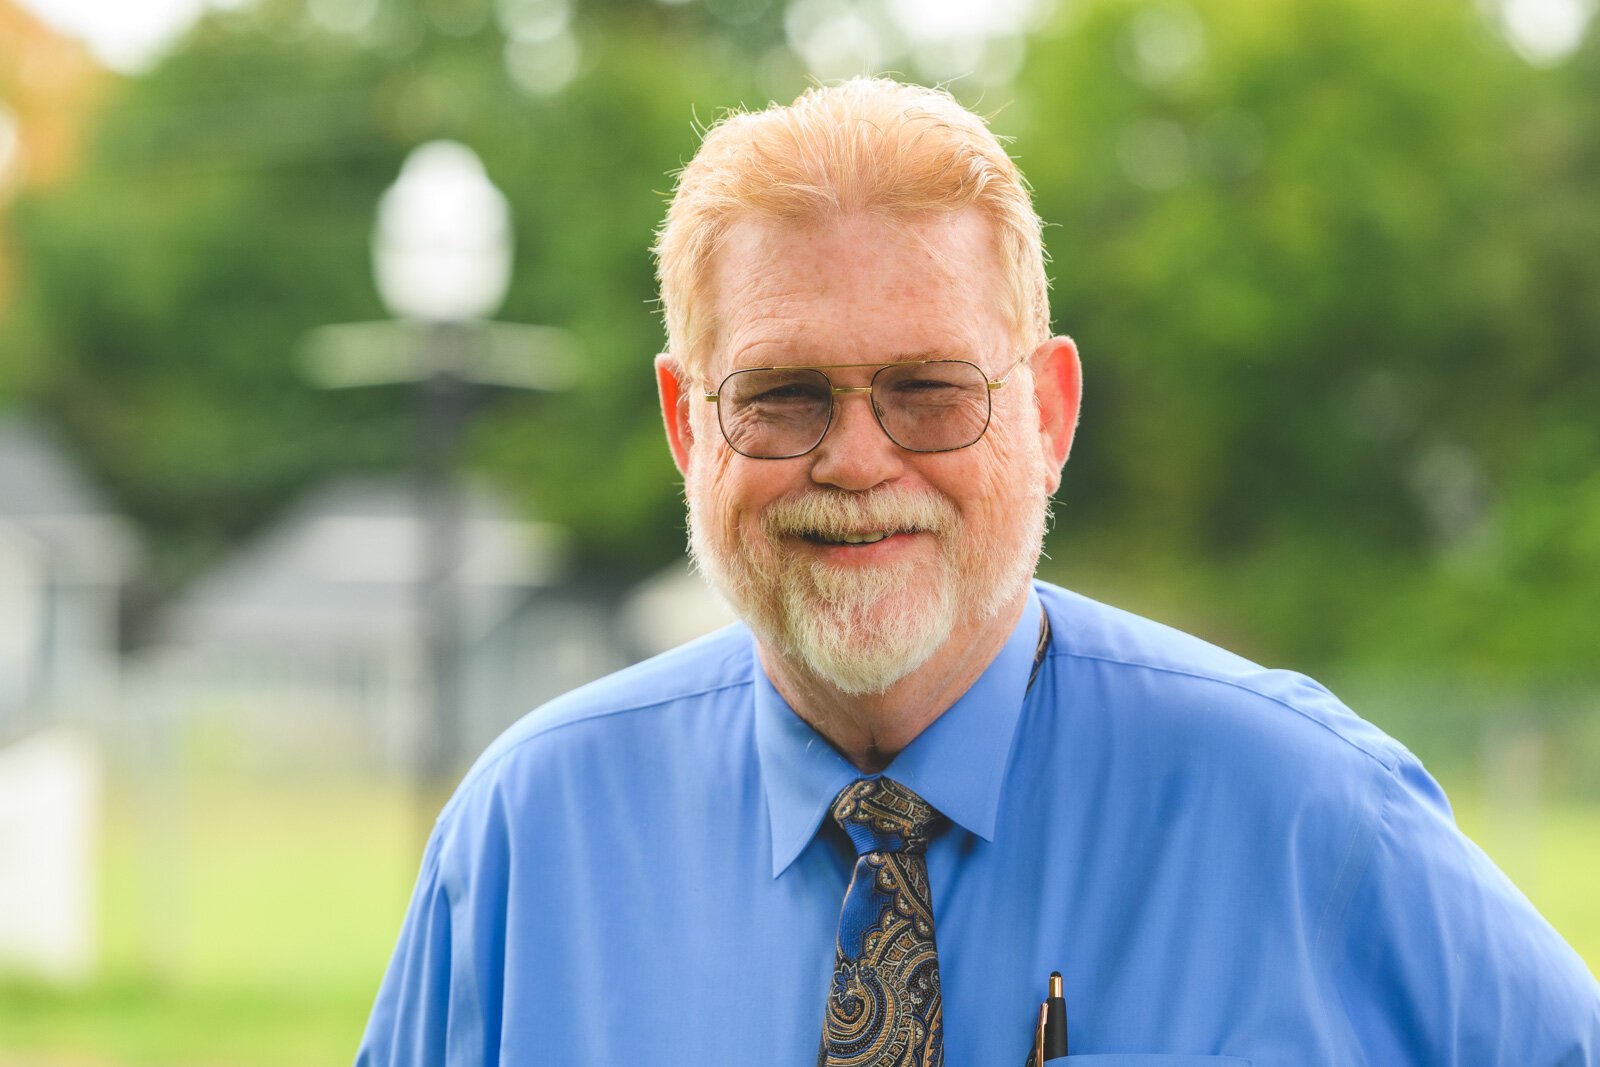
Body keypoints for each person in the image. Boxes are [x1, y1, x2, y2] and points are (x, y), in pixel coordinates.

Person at [356, 78, 1599, 1066]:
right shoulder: (529, 840)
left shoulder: (1310, 816)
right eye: (782, 395)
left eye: (929, 390)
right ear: (687, 428)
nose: (855, 457)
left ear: (1049, 416)